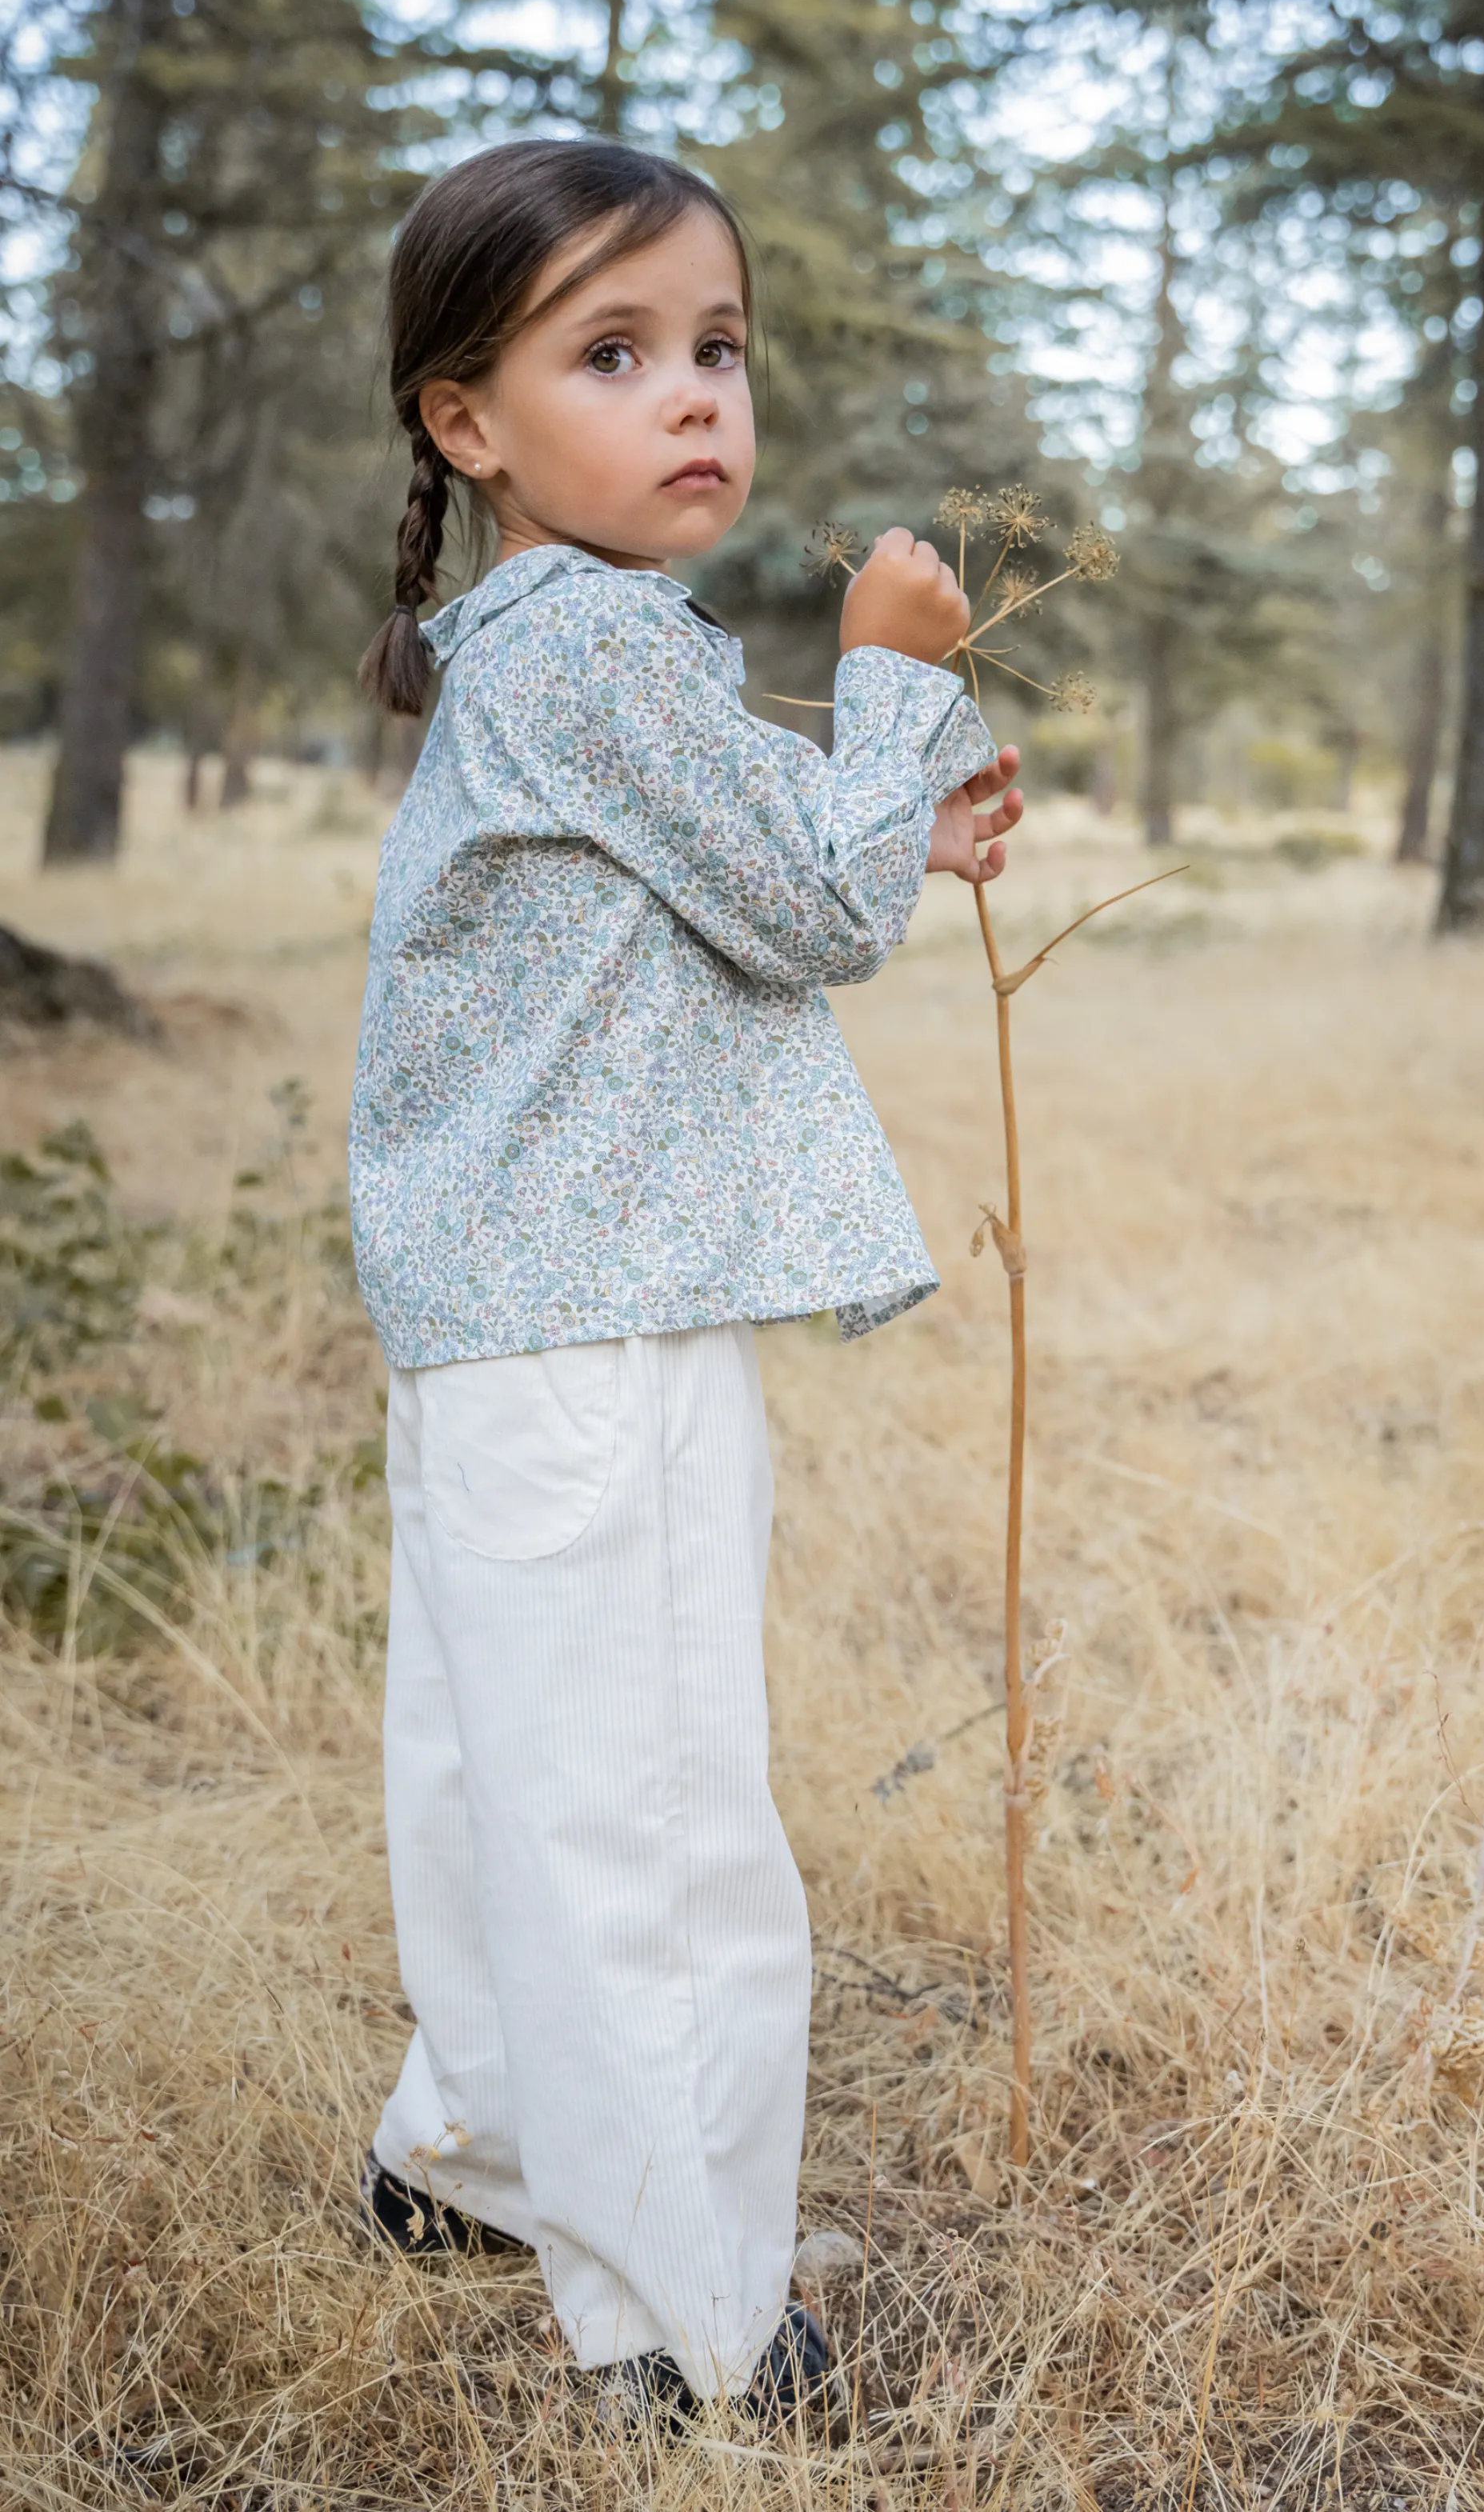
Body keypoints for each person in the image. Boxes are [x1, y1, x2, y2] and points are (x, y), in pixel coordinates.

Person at [345, 138, 1022, 2430]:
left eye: (717, 347)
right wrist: (893, 681)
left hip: (495, 1323)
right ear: (469, 422)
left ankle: (476, 2145)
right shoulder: (611, 651)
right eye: (613, 353)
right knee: (648, 1805)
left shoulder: (543, 649)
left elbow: (756, 874)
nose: (695, 398)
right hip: (597, 1328)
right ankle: (692, 2316)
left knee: (507, 1766)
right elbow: (809, 918)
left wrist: (883, 793)